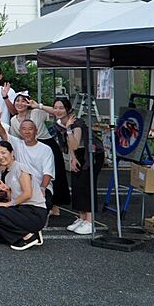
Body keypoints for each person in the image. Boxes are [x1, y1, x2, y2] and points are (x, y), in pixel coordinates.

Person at [52, 97, 104, 235]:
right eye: (56, 107)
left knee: (86, 185)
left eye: (61, 108)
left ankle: (90, 221)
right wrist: (73, 158)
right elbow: (72, 148)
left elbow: (74, 143)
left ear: (68, 109)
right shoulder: (59, 122)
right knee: (77, 185)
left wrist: (68, 128)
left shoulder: (76, 123)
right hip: (78, 154)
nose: (58, 110)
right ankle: (82, 218)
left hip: (91, 153)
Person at [12, 93, 71, 215]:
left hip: (47, 144)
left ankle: (55, 206)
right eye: (17, 101)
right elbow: (15, 138)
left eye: (23, 101)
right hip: (27, 147)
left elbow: (57, 113)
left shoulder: (36, 112)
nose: (20, 103)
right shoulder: (13, 120)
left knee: (55, 175)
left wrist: (38, 105)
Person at [0, 140, 48, 250]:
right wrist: (8, 191)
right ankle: (30, 234)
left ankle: (27, 237)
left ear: (12, 153)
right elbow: (14, 200)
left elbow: (27, 194)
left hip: (34, 212)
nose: (0, 156)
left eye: (3, 152)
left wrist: (7, 204)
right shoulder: (7, 174)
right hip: (22, 210)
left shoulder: (21, 168)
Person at [0, 107, 55, 211]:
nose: (27, 132)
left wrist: (42, 188)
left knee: (45, 203)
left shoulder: (46, 149)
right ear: (20, 131)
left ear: (36, 131)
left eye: (30, 129)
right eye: (24, 129)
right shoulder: (17, 143)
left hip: (40, 186)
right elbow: (3, 134)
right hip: (18, 185)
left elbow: (47, 173)